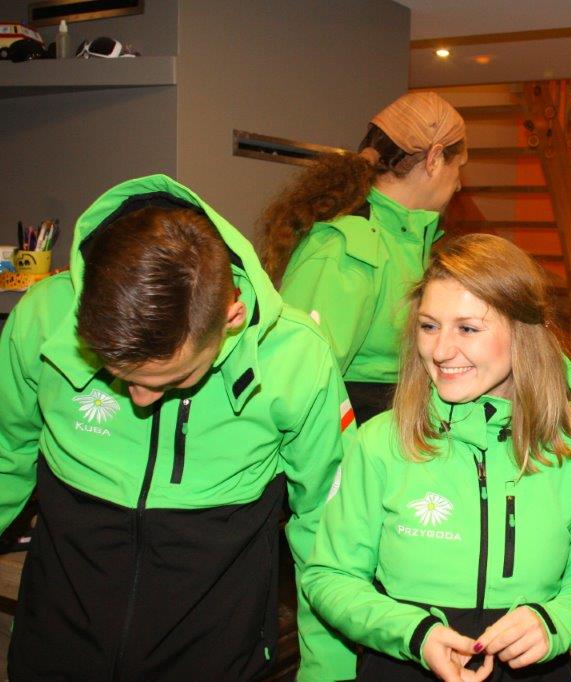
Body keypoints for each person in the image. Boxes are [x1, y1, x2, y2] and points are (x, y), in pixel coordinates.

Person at [0, 175, 356, 680]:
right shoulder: (43, 314)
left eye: (172, 380)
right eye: (121, 377)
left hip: (215, 656)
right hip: (56, 646)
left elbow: (329, 529)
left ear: (231, 318)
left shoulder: (296, 357)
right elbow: (4, 453)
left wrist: (329, 673)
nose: (141, 400)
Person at [302, 233, 571, 681]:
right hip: (402, 666)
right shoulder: (378, 442)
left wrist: (554, 621)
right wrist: (414, 633)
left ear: (523, 333)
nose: (440, 351)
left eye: (467, 329)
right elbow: (329, 577)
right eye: (429, 326)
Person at [259, 91, 468, 425]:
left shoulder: (407, 241)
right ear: (434, 158)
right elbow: (296, 385)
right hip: (352, 444)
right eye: (459, 167)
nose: (458, 185)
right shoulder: (345, 247)